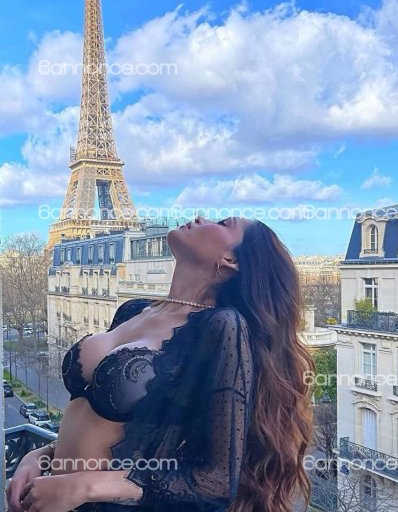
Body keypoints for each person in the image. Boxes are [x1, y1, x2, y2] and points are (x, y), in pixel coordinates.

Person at [6, 215, 315, 512]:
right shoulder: (133, 310)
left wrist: (84, 486)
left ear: (231, 261)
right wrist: (42, 456)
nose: (201, 217)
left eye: (222, 223)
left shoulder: (220, 327)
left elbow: (216, 481)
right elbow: (95, 422)